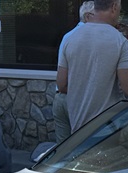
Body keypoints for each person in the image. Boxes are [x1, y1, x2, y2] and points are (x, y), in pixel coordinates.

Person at [57, 0, 128, 134]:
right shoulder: (120, 42)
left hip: (78, 131)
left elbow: (61, 84)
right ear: (113, 7)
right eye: (119, 9)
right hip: (106, 131)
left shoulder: (70, 38)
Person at [53, 1, 95, 141]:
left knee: (63, 151)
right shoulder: (90, 38)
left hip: (60, 97)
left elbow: (61, 78)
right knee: (83, 149)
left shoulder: (68, 36)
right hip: (78, 99)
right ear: (88, 16)